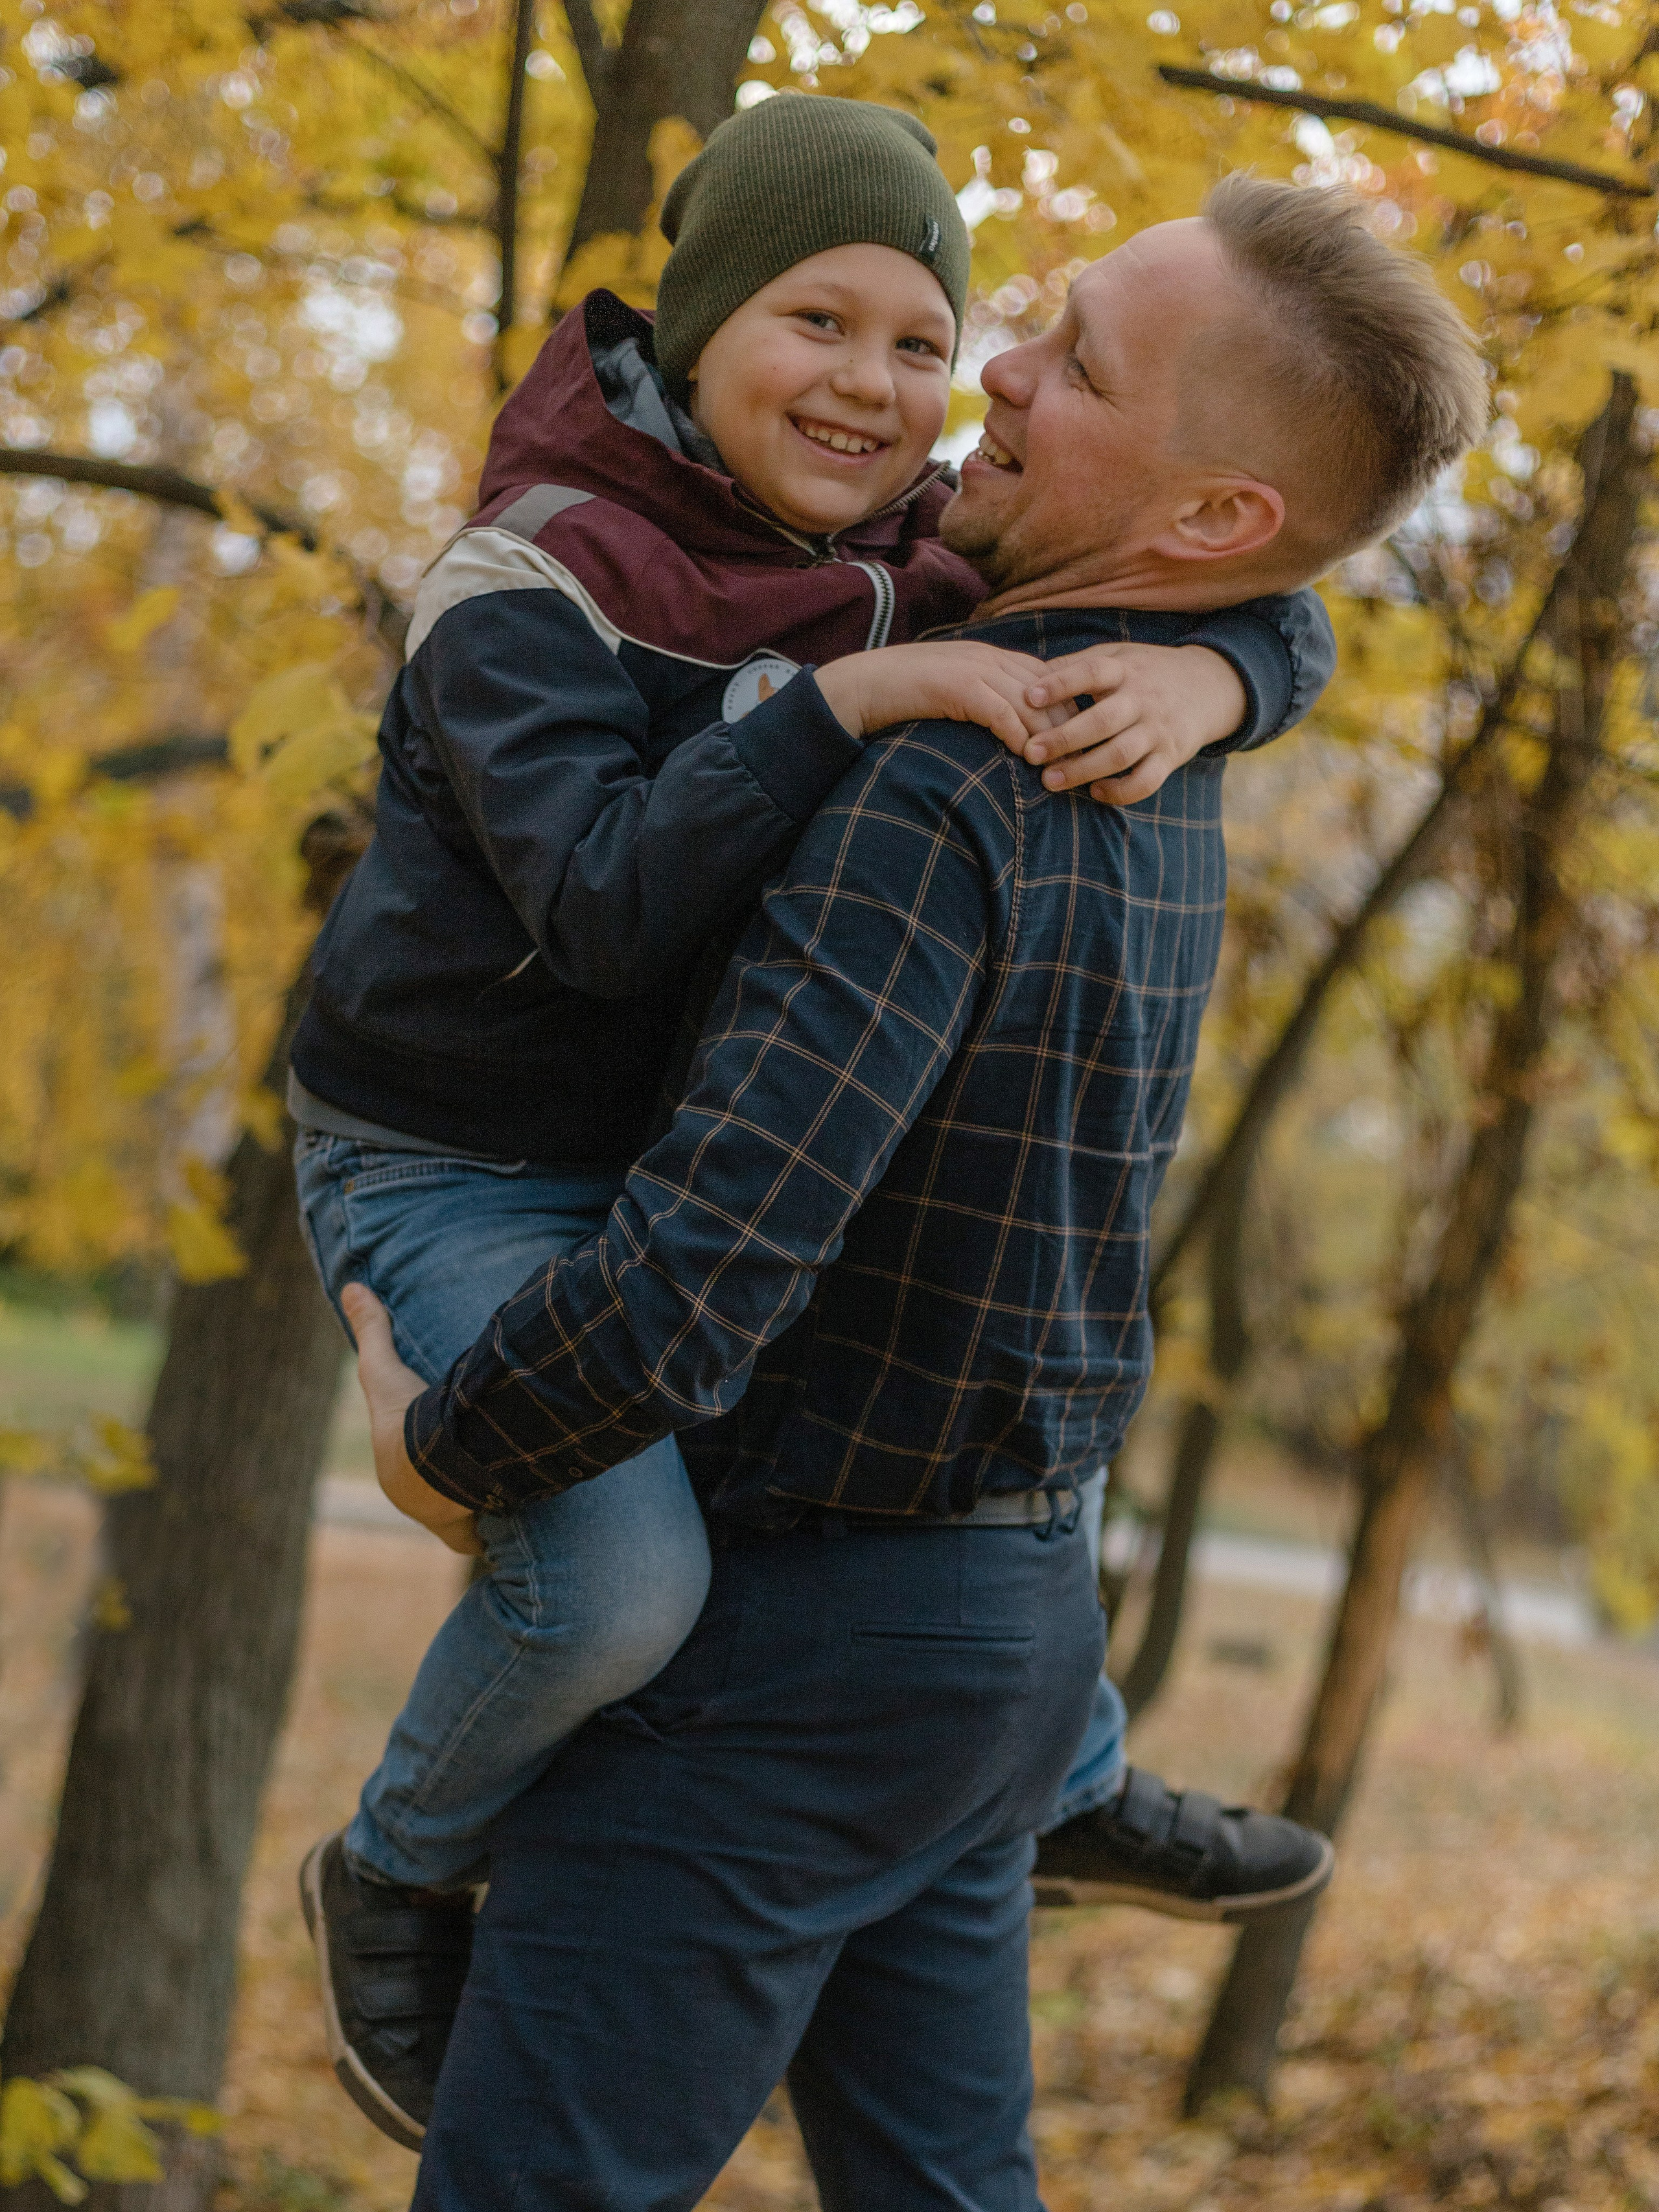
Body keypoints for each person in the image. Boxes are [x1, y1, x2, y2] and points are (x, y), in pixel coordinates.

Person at [346, 174, 1489, 2212]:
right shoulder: (1157, 739)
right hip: (1013, 1639)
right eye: (1029, 317)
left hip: (792, 1655)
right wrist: (1232, 674)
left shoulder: (936, 787)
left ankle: (395, 1861)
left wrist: (451, 1440)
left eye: (1079, 362)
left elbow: (701, 1277)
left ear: (1211, 519)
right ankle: (1094, 1792)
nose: (995, 373)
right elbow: (1280, 605)